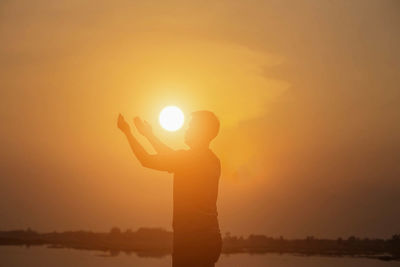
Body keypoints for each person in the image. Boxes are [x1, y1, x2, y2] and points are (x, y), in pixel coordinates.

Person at [117, 110, 222, 267]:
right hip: (209, 238)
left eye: (191, 126)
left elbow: (146, 160)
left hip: (192, 241)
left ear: (202, 132)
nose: (186, 130)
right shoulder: (212, 160)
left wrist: (127, 133)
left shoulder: (190, 159)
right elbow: (171, 156)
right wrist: (148, 135)